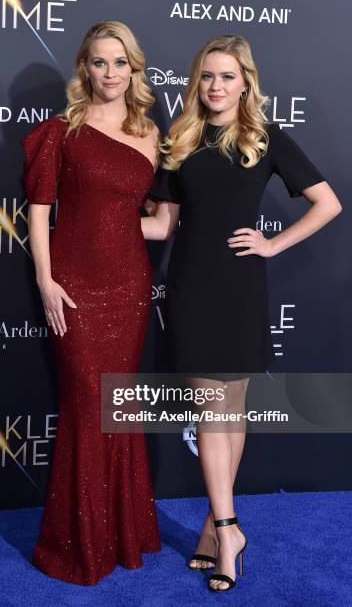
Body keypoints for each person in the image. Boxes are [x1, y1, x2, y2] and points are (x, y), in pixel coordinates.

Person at [142, 34, 342, 592]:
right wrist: (94, 226)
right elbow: (161, 225)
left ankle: (214, 526)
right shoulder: (180, 140)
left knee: (231, 405)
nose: (215, 86)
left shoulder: (265, 138)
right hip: (191, 287)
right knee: (210, 405)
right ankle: (229, 528)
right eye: (207, 76)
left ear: (245, 82)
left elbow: (328, 202)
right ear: (195, 81)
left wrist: (274, 245)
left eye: (227, 76)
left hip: (241, 286)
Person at [21, 20, 162, 585]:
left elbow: (157, 223)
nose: (110, 73)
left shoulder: (154, 134)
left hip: (128, 285)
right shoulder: (62, 131)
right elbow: (38, 211)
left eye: (120, 62)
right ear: (85, 66)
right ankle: (77, 544)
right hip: (74, 287)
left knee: (117, 406)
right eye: (99, 62)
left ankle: (123, 535)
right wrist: (46, 280)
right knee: (86, 406)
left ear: (134, 68)